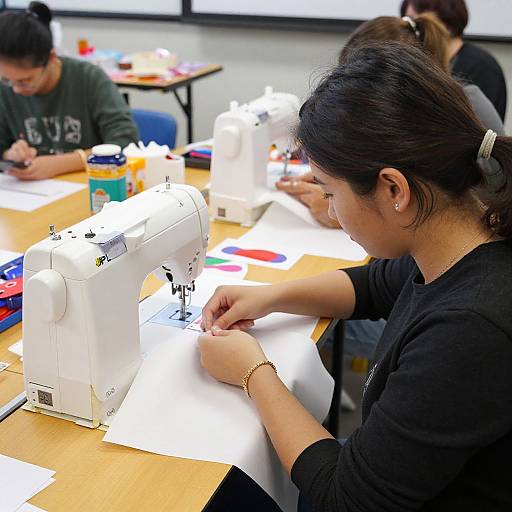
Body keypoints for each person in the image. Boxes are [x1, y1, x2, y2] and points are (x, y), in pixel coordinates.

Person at [197, 42, 512, 511]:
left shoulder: (470, 327)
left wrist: (252, 372)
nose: (333, 212)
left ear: (393, 189)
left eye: (329, 191)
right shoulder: (464, 231)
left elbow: (345, 500)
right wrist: (269, 296)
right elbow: (374, 286)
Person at [277, 12, 505, 230]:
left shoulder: (456, 115)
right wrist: (341, 182)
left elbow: (441, 207)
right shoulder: (426, 113)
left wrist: (349, 211)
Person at [0, 2, 138, 180]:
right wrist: (10, 155)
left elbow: (126, 143)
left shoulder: (89, 79)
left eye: (26, 81)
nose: (16, 89)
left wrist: (61, 163)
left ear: (51, 58)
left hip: (92, 186)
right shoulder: (6, 88)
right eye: (6, 79)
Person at [401, 0, 507, 122]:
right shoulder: (419, 65)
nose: (413, 30)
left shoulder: (483, 68)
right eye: (408, 21)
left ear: (447, 23)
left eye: (419, 23)